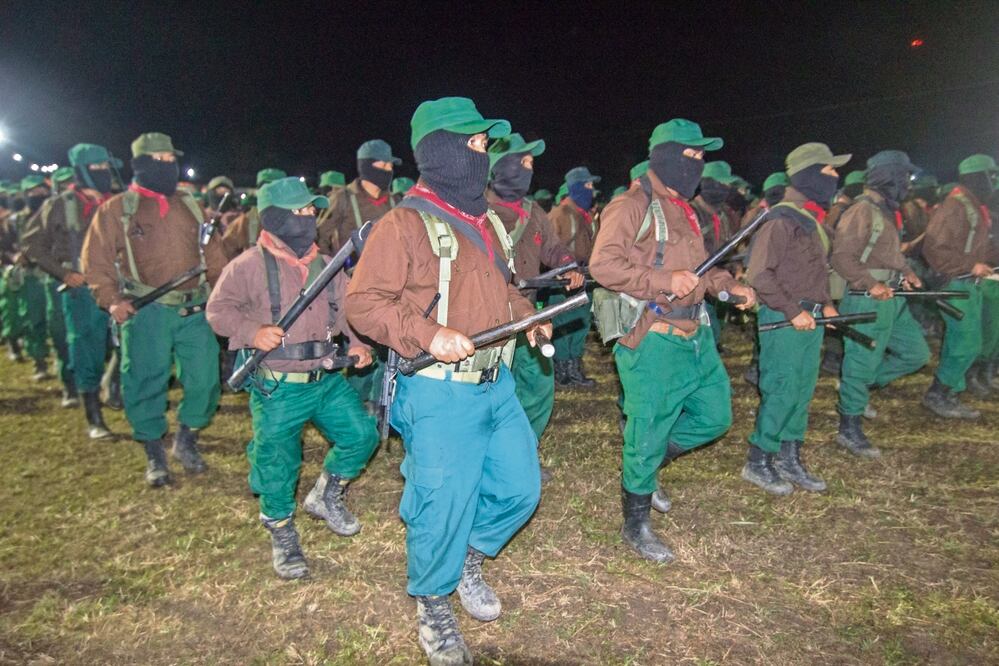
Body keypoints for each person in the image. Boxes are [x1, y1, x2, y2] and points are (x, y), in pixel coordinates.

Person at [346, 97, 547, 665]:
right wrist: (428, 333)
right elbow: (363, 304)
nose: (486, 157)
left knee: (519, 488)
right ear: (442, 150)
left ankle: (468, 559)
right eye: (478, 144)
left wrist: (524, 320)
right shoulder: (405, 223)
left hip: (496, 382)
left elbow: (501, 288)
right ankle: (432, 601)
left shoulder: (488, 223)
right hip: (438, 389)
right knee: (441, 502)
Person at [589, 118, 755, 563]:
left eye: (702, 157)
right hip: (654, 338)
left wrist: (725, 287)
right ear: (662, 156)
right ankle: (635, 523)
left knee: (715, 416)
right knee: (648, 430)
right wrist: (661, 279)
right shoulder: (630, 205)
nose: (698, 165)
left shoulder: (684, 208)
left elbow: (700, 269)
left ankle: (645, 464)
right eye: (690, 155)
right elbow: (602, 266)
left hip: (695, 334)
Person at [207, 176, 378, 579]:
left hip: (325, 379)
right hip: (278, 385)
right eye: (299, 212)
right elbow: (218, 311)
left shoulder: (327, 263)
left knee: (361, 435)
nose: (308, 219)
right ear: (275, 218)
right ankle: (281, 529)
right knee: (277, 462)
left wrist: (357, 343)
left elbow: (346, 309)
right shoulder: (247, 265)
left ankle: (326, 494)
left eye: (310, 212)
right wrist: (253, 332)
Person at [82, 132, 227, 486]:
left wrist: (224, 292)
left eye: (171, 159)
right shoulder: (117, 209)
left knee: (206, 382)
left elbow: (214, 256)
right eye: (158, 160)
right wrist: (111, 299)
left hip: (194, 310)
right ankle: (153, 451)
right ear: (140, 165)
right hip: (148, 311)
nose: (167, 166)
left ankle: (186, 439)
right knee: (145, 380)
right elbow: (96, 260)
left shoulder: (190, 204)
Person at [744, 143, 850, 494]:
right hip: (784, 317)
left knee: (802, 390)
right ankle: (759, 461)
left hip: (810, 317)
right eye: (829, 170)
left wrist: (827, 304)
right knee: (781, 388)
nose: (836, 176)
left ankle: (789, 457)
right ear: (809, 174)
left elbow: (814, 274)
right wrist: (793, 311)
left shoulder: (811, 221)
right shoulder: (780, 221)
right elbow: (759, 275)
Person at [486, 132, 583, 466]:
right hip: (490, 316)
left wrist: (567, 264)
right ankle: (491, 457)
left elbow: (553, 248)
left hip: (530, 313)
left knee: (540, 386)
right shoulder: (476, 208)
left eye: (531, 164)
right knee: (491, 393)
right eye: (522, 162)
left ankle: (521, 455)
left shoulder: (533, 210)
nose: (529, 170)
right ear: (502, 166)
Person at [831, 150, 931, 455]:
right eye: (904, 176)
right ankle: (849, 427)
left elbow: (890, 254)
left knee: (916, 353)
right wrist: (870, 283)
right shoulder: (861, 211)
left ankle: (857, 389)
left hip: (892, 295)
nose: (908, 183)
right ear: (889, 176)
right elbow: (841, 257)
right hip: (866, 298)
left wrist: (907, 271)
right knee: (861, 361)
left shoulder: (886, 211)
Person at [22, 143, 122, 436]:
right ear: (82, 172)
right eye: (98, 169)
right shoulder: (60, 204)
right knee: (86, 347)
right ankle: (94, 415)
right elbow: (32, 243)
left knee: (126, 342)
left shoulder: (116, 203)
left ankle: (113, 385)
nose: (104, 173)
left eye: (106, 168)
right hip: (82, 291)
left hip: (117, 285)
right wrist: (63, 272)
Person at [316, 139, 403, 411]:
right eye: (382, 164)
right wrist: (335, 276)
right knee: (361, 349)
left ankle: (379, 407)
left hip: (392, 288)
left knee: (388, 351)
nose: (388, 169)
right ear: (366, 167)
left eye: (391, 165)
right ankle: (351, 408)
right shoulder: (342, 199)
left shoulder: (396, 202)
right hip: (355, 286)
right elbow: (318, 238)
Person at [922, 154, 999, 418]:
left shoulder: (972, 205)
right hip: (955, 282)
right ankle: (939, 394)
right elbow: (934, 248)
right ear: (979, 177)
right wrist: (970, 265)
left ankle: (950, 391)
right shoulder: (956, 205)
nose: (994, 181)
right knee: (965, 341)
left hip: (968, 282)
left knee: (968, 341)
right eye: (991, 176)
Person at [549, 166, 600, 387]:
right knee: (562, 326)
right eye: (587, 185)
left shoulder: (583, 215)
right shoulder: (560, 215)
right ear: (575, 188)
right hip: (562, 280)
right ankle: (562, 372)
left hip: (584, 277)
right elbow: (548, 250)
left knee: (580, 323)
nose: (591, 190)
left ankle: (574, 369)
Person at [4, 175, 53, 380]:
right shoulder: (15, 221)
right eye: (32, 192)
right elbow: (6, 245)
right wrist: (13, 256)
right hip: (32, 275)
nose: (37, 195)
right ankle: (39, 361)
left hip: (56, 273)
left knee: (58, 324)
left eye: (41, 191)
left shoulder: (56, 213)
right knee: (34, 320)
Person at [221, 168, 287, 259]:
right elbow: (224, 253)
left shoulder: (299, 219)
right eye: (265, 187)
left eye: (275, 187)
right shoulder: (246, 221)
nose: (268, 191)